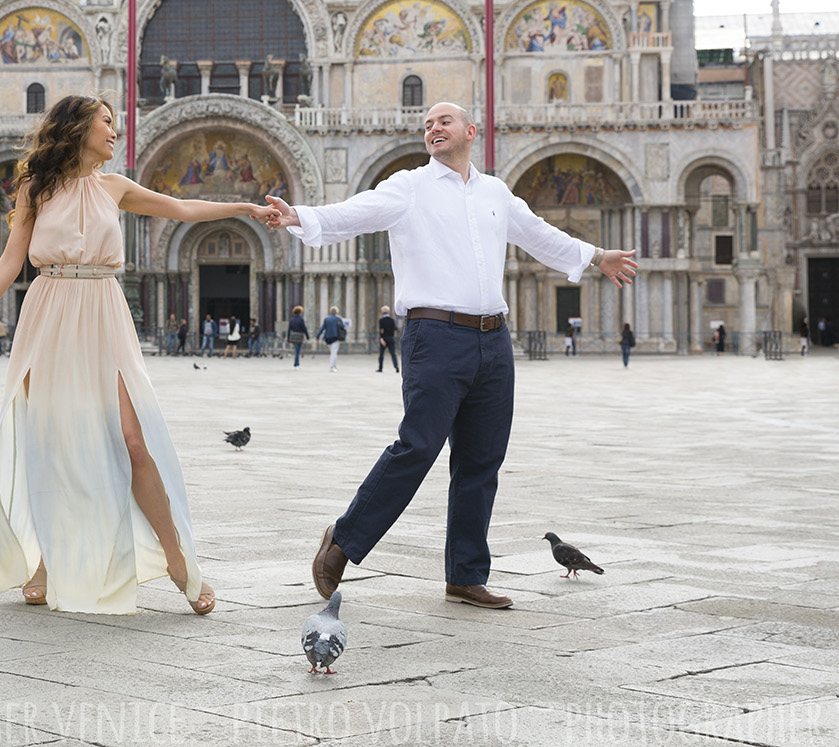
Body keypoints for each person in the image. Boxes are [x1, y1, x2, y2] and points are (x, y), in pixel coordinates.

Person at [261, 102, 637, 610]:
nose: (433, 128)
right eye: (427, 124)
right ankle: (343, 541)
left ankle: (464, 574)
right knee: (417, 446)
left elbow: (540, 236)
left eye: (444, 121)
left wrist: (595, 255)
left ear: (469, 131)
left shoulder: (496, 193)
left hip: (493, 339)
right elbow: (356, 211)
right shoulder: (409, 186)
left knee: (482, 459)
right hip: (434, 335)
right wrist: (300, 217)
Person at [0, 93, 274, 615]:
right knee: (50, 440)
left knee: (133, 440)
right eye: (107, 123)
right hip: (49, 311)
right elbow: (8, 264)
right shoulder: (35, 189)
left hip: (105, 310)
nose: (115, 132)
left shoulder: (115, 187)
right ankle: (44, 561)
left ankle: (179, 562)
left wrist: (242, 206)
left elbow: (180, 208)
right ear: (78, 128)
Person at [320, 306, 347, 372]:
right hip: (335, 337)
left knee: (332, 352)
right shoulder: (338, 318)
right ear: (336, 312)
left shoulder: (326, 319)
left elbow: (322, 328)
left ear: (330, 312)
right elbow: (342, 326)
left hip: (328, 338)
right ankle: (332, 367)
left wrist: (317, 336)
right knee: (334, 353)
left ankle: (333, 365)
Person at [378, 306, 399, 373]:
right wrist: (392, 335)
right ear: (388, 312)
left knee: (381, 354)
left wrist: (381, 338)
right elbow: (395, 329)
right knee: (393, 354)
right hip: (391, 338)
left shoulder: (381, 320)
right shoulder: (392, 320)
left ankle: (380, 368)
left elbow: (381, 330)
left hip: (384, 338)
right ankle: (396, 366)